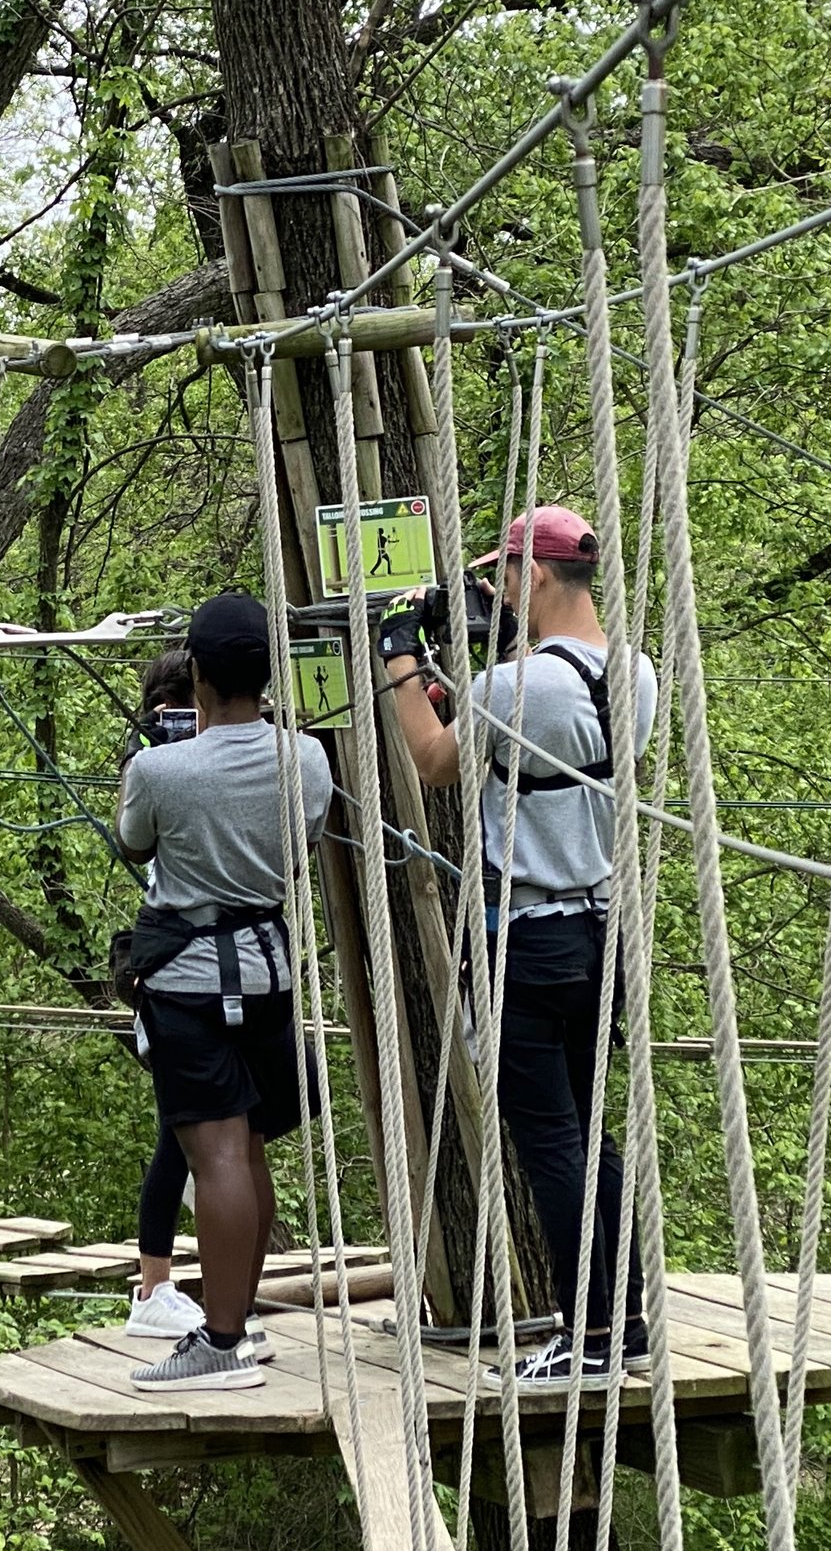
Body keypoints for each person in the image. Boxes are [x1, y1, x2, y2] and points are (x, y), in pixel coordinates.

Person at [380, 506, 656, 1389]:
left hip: (528, 938)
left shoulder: (514, 687)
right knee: (590, 1132)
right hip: (600, 929)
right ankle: (629, 1314)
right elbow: (516, 748)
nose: (498, 591)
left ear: (534, 576)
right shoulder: (634, 673)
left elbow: (433, 760)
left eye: (503, 575)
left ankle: (588, 1330)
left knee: (549, 1141)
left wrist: (397, 657)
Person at [114, 593, 332, 1392]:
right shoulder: (305, 759)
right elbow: (303, 842)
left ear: (198, 676)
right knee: (246, 1147)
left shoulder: (161, 770)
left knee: (216, 1154)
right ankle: (234, 1324)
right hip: (269, 969)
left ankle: (221, 1336)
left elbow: (135, 842)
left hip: (191, 985)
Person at [116, 649, 204, 1343]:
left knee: (192, 1135)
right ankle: (152, 1284)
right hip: (174, 968)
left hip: (197, 970)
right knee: (177, 1134)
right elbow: (133, 843)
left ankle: (162, 1281)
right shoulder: (153, 768)